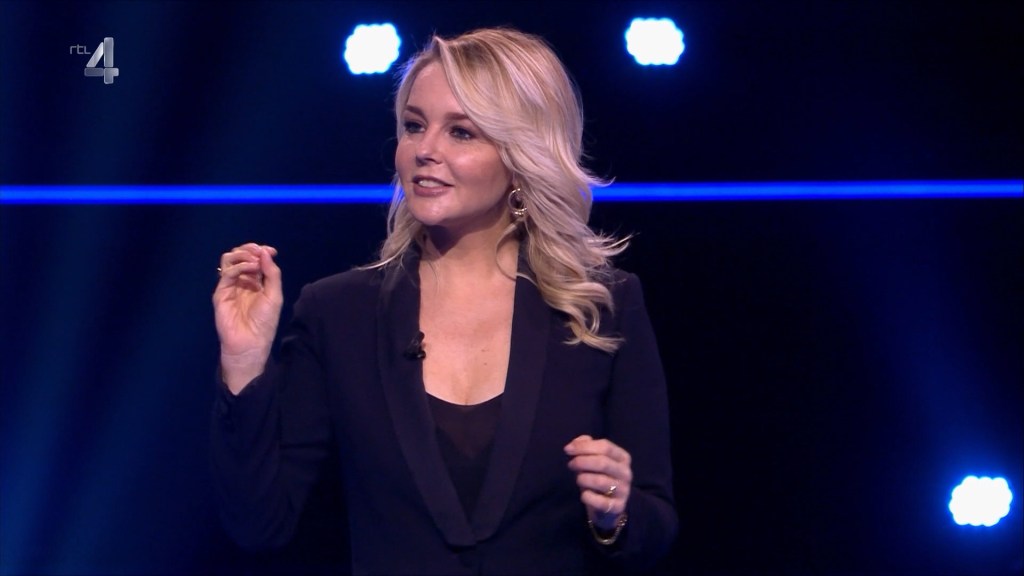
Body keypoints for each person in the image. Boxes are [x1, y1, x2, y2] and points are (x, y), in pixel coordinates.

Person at [211, 27, 676, 575]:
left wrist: (615, 513)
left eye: (461, 132)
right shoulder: (338, 313)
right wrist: (243, 362)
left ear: (520, 155)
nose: (425, 150)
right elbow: (259, 524)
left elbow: (655, 523)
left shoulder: (601, 307)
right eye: (414, 126)